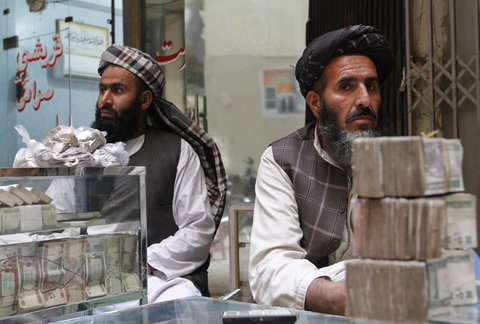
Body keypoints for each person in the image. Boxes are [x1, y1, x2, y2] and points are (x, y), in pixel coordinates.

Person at [248, 25, 393, 315]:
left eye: (371, 86)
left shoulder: (401, 159)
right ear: (315, 103)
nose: (364, 100)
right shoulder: (281, 160)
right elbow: (270, 266)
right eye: (347, 86)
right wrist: (335, 294)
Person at [91, 44, 227, 303]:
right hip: (92, 282)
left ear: (144, 100)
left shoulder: (176, 152)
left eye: (117, 90)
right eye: (102, 89)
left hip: (162, 281)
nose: (105, 100)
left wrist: (137, 263)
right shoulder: (83, 154)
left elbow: (197, 230)